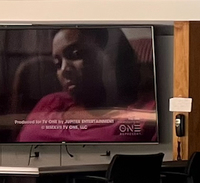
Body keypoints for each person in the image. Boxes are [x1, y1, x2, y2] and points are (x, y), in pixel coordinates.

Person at [16, 28, 158, 142]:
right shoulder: (51, 103)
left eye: (75, 54)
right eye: (57, 64)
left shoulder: (147, 113)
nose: (64, 70)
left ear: (110, 55)